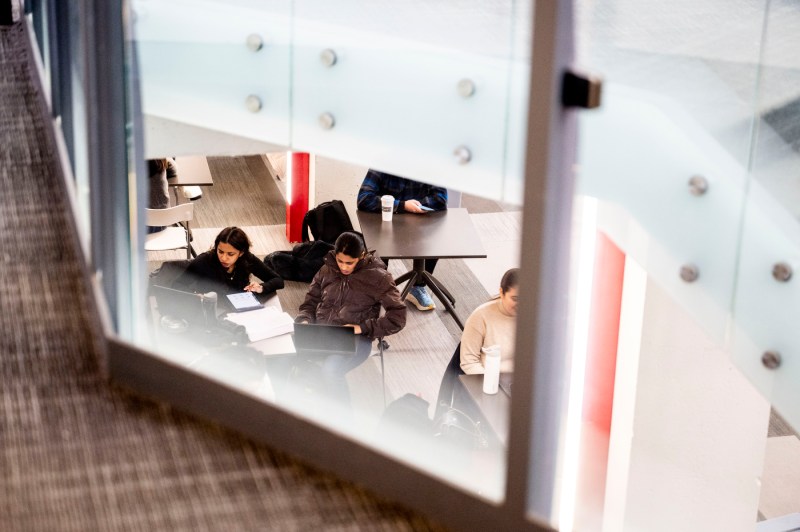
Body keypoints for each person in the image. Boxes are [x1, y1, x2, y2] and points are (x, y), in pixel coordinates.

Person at [295, 231, 406, 405]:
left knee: (330, 371)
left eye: (350, 263)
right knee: (285, 355)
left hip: (356, 339)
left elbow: (398, 317)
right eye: (340, 261)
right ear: (335, 254)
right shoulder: (327, 268)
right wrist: (305, 318)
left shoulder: (379, 278)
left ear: (361, 256)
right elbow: (310, 301)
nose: (344, 267)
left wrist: (362, 328)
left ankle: (344, 422)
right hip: (322, 332)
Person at [357, 169, 448, 312]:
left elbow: (441, 199)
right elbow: (363, 199)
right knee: (377, 249)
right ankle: (378, 288)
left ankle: (418, 286)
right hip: (385, 225)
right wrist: (403, 205)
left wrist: (416, 207)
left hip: (418, 227)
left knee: (434, 241)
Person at [173, 226, 284, 305]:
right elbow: (177, 285)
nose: (223, 258)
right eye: (220, 251)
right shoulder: (204, 260)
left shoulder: (248, 259)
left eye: (230, 254)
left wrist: (261, 287)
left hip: (239, 307)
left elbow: (278, 280)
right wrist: (195, 296)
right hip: (212, 307)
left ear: (241, 253)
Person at [460, 268, 519, 374]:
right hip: (488, 379)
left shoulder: (535, 316)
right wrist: (489, 383)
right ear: (501, 292)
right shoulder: (481, 316)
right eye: (515, 299)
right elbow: (469, 362)